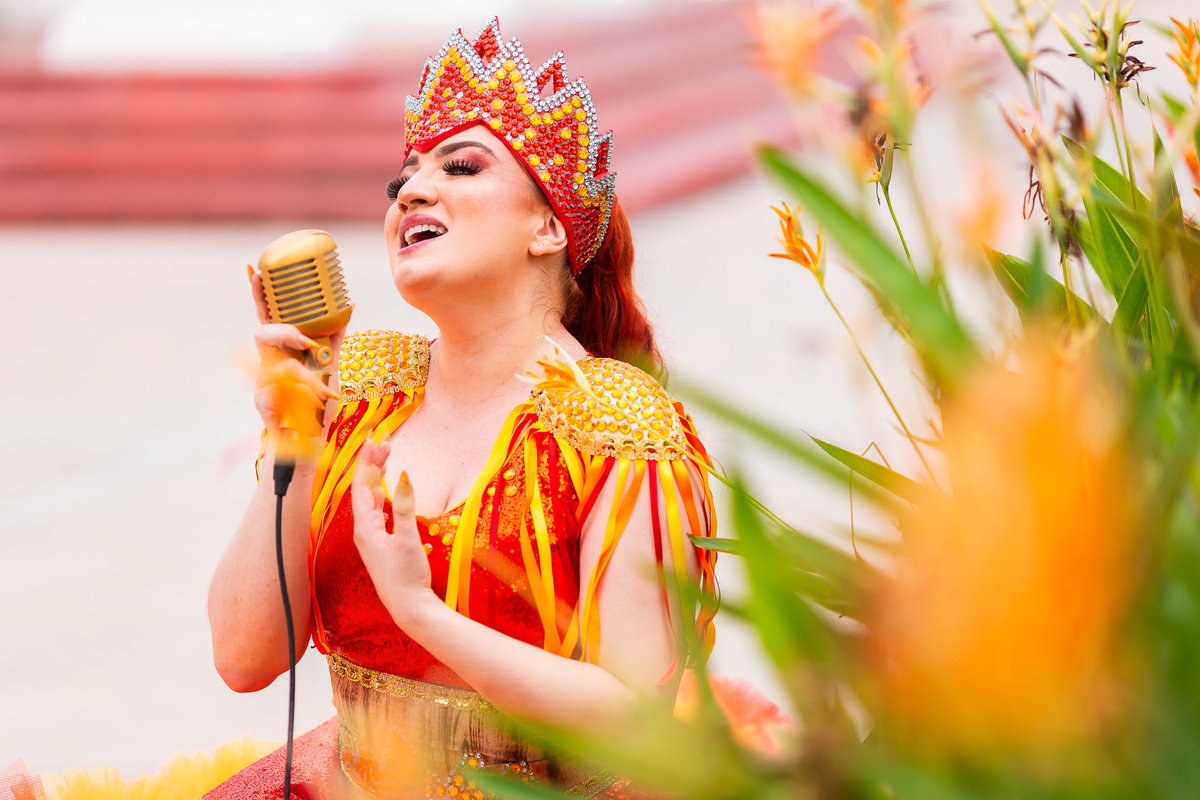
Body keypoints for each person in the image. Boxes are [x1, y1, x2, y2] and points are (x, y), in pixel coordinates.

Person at [205, 18, 718, 799]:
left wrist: (421, 611)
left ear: (547, 227)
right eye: (401, 180)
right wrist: (292, 435)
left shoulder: (622, 426)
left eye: (463, 166)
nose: (412, 189)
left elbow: (633, 717)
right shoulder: (359, 390)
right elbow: (245, 660)